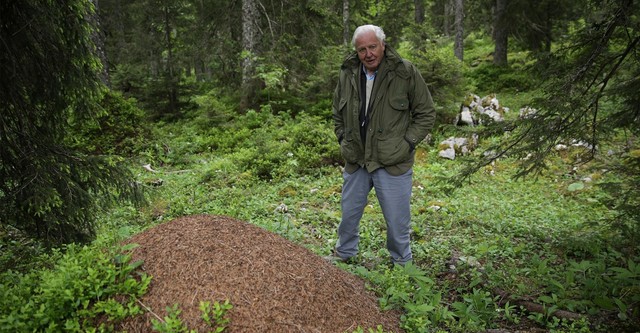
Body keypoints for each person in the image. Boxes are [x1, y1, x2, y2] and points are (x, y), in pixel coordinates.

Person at [328, 24, 436, 266]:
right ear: (356, 52)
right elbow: (337, 111)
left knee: (397, 221)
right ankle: (344, 255)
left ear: (383, 45)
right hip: (357, 159)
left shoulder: (404, 71)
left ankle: (402, 265)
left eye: (373, 47)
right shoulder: (347, 73)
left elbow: (426, 113)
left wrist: (407, 143)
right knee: (348, 216)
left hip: (392, 161)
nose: (368, 54)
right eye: (362, 49)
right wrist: (342, 137)